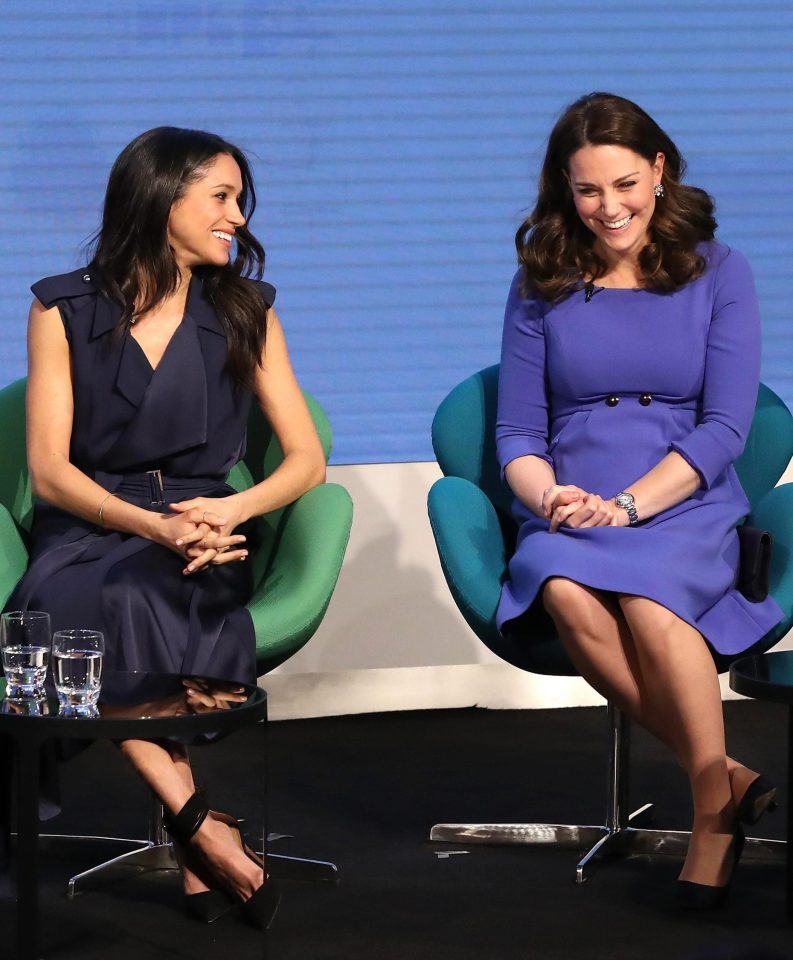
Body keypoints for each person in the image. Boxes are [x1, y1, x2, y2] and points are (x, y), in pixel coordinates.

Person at [9, 126, 326, 926]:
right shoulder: (62, 307)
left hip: (202, 521)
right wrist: (148, 529)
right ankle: (203, 829)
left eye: (239, 201)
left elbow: (304, 463)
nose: (237, 217)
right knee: (88, 599)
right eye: (220, 198)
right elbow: (49, 469)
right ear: (161, 199)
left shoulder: (246, 310)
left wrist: (229, 510)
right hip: (89, 519)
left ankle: (197, 837)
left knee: (129, 597)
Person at [496, 92, 783, 908]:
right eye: (587, 191)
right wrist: (548, 496)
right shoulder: (540, 279)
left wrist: (626, 507)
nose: (608, 207)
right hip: (571, 496)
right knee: (561, 589)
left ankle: (708, 812)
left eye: (623, 183)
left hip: (678, 494)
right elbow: (517, 433)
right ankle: (722, 777)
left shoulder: (717, 269)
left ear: (658, 170)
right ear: (563, 187)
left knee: (656, 610)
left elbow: (726, 426)